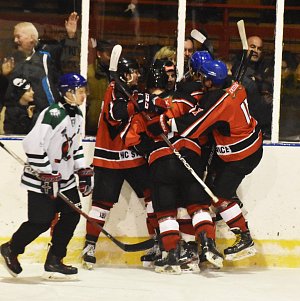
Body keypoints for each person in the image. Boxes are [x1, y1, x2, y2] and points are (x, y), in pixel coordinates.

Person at [146, 59, 263, 262]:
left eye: (203, 77)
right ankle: (229, 207)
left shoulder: (217, 102)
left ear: (210, 81)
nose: (200, 79)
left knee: (219, 197)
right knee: (214, 191)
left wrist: (165, 124)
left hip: (239, 155)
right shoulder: (235, 84)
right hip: (250, 144)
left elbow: (193, 128)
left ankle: (244, 238)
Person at [122, 59, 223, 274]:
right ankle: (207, 244)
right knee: (197, 206)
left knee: (166, 212)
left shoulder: (140, 109)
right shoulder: (183, 98)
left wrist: (148, 146)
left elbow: (130, 138)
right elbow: (199, 121)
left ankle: (171, 255)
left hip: (161, 163)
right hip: (190, 157)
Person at [0, 73, 93, 280]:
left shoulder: (77, 114)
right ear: (67, 93)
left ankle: (54, 259)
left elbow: (75, 147)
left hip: (65, 179)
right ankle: (11, 248)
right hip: (41, 180)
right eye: (80, 91)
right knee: (40, 222)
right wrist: (47, 173)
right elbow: (31, 145)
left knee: (71, 215)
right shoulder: (53, 114)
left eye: (84, 91)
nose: (84, 95)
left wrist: (82, 171)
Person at [81, 57, 160, 270]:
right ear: (124, 74)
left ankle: (157, 243)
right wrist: (137, 104)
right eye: (133, 71)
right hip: (109, 158)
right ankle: (89, 246)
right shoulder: (113, 91)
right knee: (101, 205)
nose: (137, 75)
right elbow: (115, 115)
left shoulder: (131, 92)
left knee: (154, 195)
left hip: (133, 157)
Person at [3, 12, 80, 134]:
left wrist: (71, 36)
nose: (15, 40)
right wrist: (4, 76)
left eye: (19, 36)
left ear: (32, 37)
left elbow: (68, 60)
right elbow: (7, 94)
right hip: (17, 122)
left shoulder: (47, 53)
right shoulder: (11, 60)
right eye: (14, 37)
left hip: (46, 119)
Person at [232, 35, 273, 139]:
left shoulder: (264, 68)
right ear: (245, 47)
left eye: (259, 49)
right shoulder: (237, 67)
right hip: (244, 127)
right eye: (253, 47)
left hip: (263, 127)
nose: (256, 51)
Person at [85, 39, 116, 135]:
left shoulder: (118, 74)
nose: (111, 58)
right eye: (109, 54)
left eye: (114, 54)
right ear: (99, 54)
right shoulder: (89, 73)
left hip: (113, 127)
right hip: (91, 127)